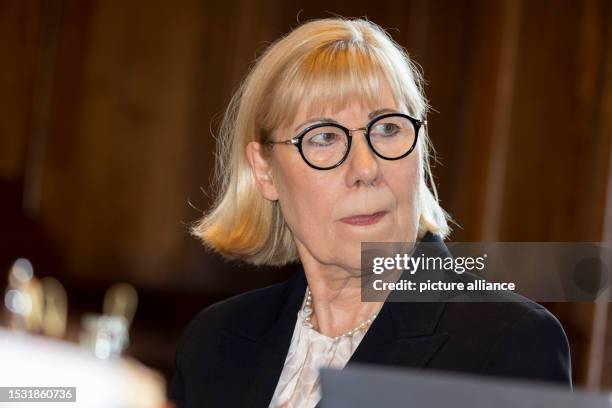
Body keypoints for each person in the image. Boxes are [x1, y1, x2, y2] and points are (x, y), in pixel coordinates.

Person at [169, 17, 572, 408]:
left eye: (388, 129)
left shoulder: (509, 344)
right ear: (265, 171)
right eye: (324, 137)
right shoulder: (214, 340)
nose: (365, 169)